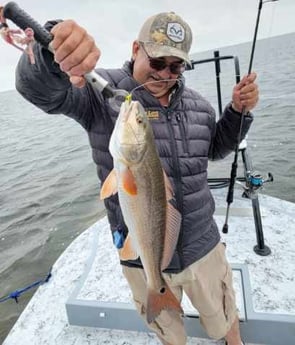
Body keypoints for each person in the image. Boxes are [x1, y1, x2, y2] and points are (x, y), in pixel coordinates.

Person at [15, 11, 258, 345]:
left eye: (176, 66)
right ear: (135, 49)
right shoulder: (101, 92)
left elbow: (214, 148)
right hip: (141, 253)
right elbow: (45, 93)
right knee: (169, 331)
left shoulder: (200, 106)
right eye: (157, 62)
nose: (165, 74)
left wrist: (237, 114)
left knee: (225, 317)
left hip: (203, 244)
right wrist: (51, 52)